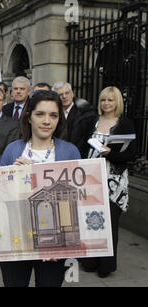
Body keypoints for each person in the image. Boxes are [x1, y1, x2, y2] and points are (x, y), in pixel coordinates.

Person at [0, 90, 81, 287]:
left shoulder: (70, 151)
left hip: (55, 245)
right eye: (40, 114)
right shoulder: (12, 150)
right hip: (17, 240)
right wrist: (13, 178)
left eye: (53, 115)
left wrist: (61, 244)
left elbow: (77, 202)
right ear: (28, 117)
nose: (46, 121)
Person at [80, 86, 137, 278]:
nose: (106, 104)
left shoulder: (125, 124)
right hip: (90, 179)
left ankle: (106, 266)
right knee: (91, 221)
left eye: (110, 100)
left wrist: (110, 153)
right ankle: (89, 261)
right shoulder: (92, 122)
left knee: (110, 223)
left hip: (113, 181)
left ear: (117, 103)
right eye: (104, 100)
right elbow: (82, 147)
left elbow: (130, 155)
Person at [52, 82, 96, 157]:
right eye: (60, 95)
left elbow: (86, 139)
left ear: (72, 93)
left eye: (67, 93)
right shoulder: (52, 112)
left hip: (77, 155)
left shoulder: (85, 112)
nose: (64, 96)